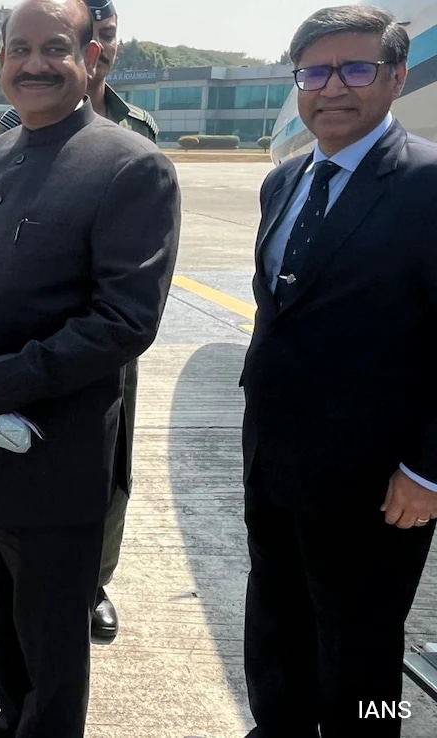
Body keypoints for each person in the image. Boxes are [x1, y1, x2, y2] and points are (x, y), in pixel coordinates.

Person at [0, 0, 180, 735]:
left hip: (55, 448)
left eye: (55, 47)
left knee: (53, 638)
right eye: (17, 49)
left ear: (90, 58)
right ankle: (9, 718)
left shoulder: (131, 166)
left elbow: (124, 323)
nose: (34, 64)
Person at [241, 6, 437, 737]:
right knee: (276, 619)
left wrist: (429, 472)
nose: (333, 88)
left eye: (356, 69)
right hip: (275, 459)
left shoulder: (427, 184)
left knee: (361, 649)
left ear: (394, 76)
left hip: (379, 480)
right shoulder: (284, 182)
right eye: (315, 72)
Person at [0, 0, 158, 644]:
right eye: (21, 48)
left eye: (105, 37)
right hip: (20, 342)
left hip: (102, 335)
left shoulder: (133, 132)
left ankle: (93, 579)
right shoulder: (10, 130)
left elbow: (133, 279)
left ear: (97, 47)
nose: (39, 62)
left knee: (106, 459)